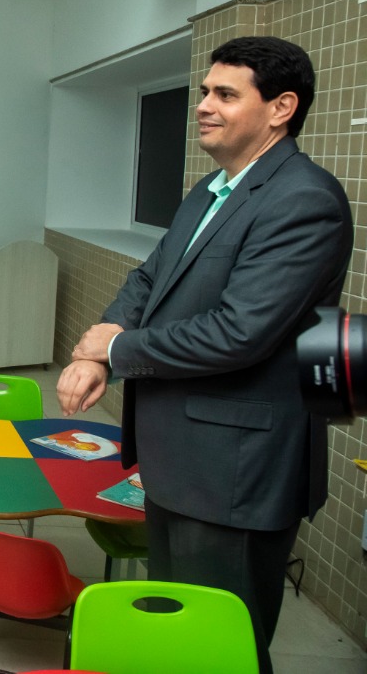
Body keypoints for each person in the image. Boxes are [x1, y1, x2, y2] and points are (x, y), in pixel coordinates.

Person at [58, 36, 352, 674]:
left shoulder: (303, 200)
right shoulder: (212, 189)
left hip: (235, 471)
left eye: (225, 94)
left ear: (281, 108)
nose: (203, 107)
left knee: (220, 646)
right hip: (184, 462)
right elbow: (148, 278)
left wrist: (120, 346)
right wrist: (98, 353)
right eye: (204, 93)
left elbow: (239, 333)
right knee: (180, 633)